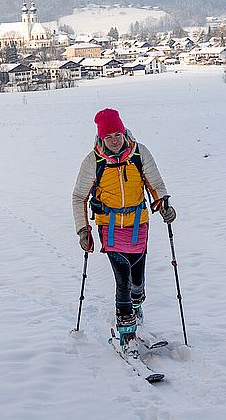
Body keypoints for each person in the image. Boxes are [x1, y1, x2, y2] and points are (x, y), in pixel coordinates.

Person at [71, 108, 176, 356]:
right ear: (101, 138)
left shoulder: (139, 153)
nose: (115, 141)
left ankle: (137, 308)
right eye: (109, 137)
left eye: (117, 134)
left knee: (137, 282)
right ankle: (126, 335)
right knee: (123, 280)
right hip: (109, 227)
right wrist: (83, 229)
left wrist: (164, 206)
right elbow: (78, 197)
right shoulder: (93, 161)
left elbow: (156, 184)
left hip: (139, 225)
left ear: (123, 132)